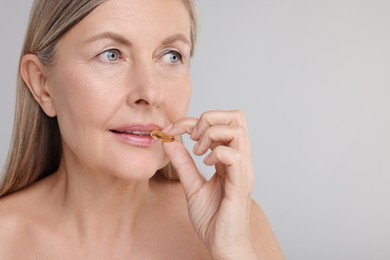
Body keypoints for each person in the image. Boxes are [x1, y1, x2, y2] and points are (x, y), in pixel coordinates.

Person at [0, 0, 283, 259]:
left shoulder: (238, 228)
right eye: (111, 54)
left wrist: (234, 250)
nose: (149, 92)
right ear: (42, 85)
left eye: (172, 56)